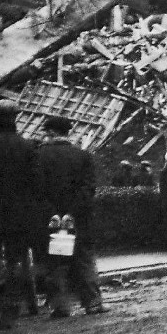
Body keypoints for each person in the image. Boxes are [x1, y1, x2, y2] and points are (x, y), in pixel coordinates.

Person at [0, 100, 45, 329]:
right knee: (17, 261)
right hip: (18, 216)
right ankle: (10, 311)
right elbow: (36, 184)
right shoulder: (27, 147)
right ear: (14, 118)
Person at [36, 116, 106, 317]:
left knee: (55, 261)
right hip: (79, 219)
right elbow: (88, 188)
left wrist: (54, 214)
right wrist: (71, 212)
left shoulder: (39, 156)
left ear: (50, 133)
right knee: (84, 258)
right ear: (68, 134)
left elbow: (37, 190)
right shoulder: (83, 156)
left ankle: (61, 307)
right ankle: (93, 302)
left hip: (51, 220)